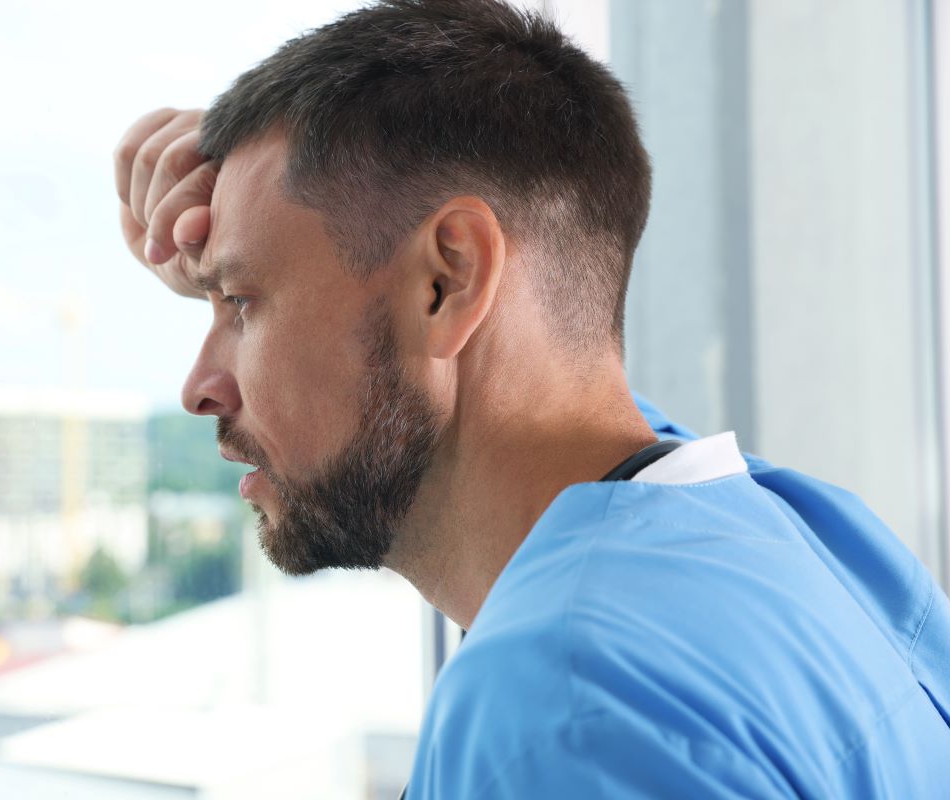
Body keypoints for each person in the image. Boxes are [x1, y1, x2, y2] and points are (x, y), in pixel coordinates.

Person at [112, 1, 950, 796]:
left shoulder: (560, 707)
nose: (198, 388)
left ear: (448, 281)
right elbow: (560, 392)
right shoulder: (811, 544)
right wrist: (254, 239)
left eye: (242, 306)